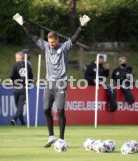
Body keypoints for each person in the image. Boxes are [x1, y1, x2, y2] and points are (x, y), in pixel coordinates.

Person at [13, 13, 91, 147]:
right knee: (46, 109)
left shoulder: (64, 47)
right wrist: (22, 24)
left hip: (61, 83)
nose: (51, 44)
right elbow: (33, 37)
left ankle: (61, 138)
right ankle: (51, 136)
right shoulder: (46, 47)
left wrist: (81, 27)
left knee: (60, 111)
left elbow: (74, 39)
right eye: (49, 42)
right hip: (49, 83)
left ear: (58, 40)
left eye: (53, 42)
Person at [10, 51, 33, 126]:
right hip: (24, 88)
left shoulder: (15, 65)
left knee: (18, 106)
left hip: (17, 87)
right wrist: (28, 84)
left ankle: (14, 119)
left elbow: (11, 75)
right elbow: (31, 77)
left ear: (17, 58)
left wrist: (14, 82)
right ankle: (22, 122)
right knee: (20, 106)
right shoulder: (28, 65)